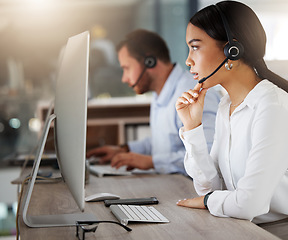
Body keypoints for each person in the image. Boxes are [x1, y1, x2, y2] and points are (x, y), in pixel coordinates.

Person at [175, 1, 288, 239]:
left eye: (195, 47)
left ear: (232, 49)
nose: (188, 61)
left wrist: (208, 200)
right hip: (254, 227)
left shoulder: (272, 107)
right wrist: (192, 127)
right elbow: (211, 190)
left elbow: (246, 204)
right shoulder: (227, 106)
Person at [87, 29, 221, 175]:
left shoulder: (193, 94)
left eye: (127, 68)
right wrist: (125, 149)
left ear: (149, 62)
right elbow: (165, 143)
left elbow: (207, 154)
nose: (124, 78)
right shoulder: (160, 94)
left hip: (192, 189)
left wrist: (151, 162)